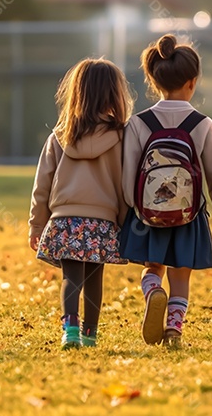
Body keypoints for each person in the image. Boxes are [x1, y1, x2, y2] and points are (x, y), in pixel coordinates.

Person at [120, 34, 212, 346]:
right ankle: (174, 328)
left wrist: (131, 207)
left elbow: (128, 174)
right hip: (189, 215)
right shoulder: (202, 124)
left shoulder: (138, 123)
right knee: (181, 275)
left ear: (154, 80)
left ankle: (152, 291)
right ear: (192, 81)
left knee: (152, 267)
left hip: (147, 215)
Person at [28, 58, 133, 349]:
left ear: (77, 92)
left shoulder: (59, 136)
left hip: (64, 220)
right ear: (114, 94)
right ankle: (91, 334)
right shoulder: (122, 137)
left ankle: (69, 329)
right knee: (95, 280)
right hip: (102, 221)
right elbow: (126, 186)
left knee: (70, 278)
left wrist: (37, 224)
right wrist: (124, 223)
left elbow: (42, 185)